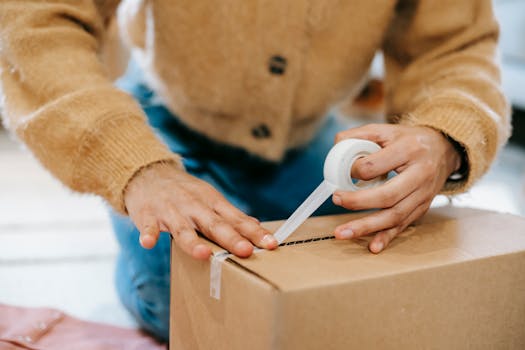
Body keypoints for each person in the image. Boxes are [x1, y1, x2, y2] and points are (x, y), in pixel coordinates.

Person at [0, 0, 510, 341]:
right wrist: (132, 164)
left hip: (309, 136)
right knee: (178, 297)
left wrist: (445, 136)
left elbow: (457, 48)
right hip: (162, 121)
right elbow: (34, 22)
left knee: (369, 276)